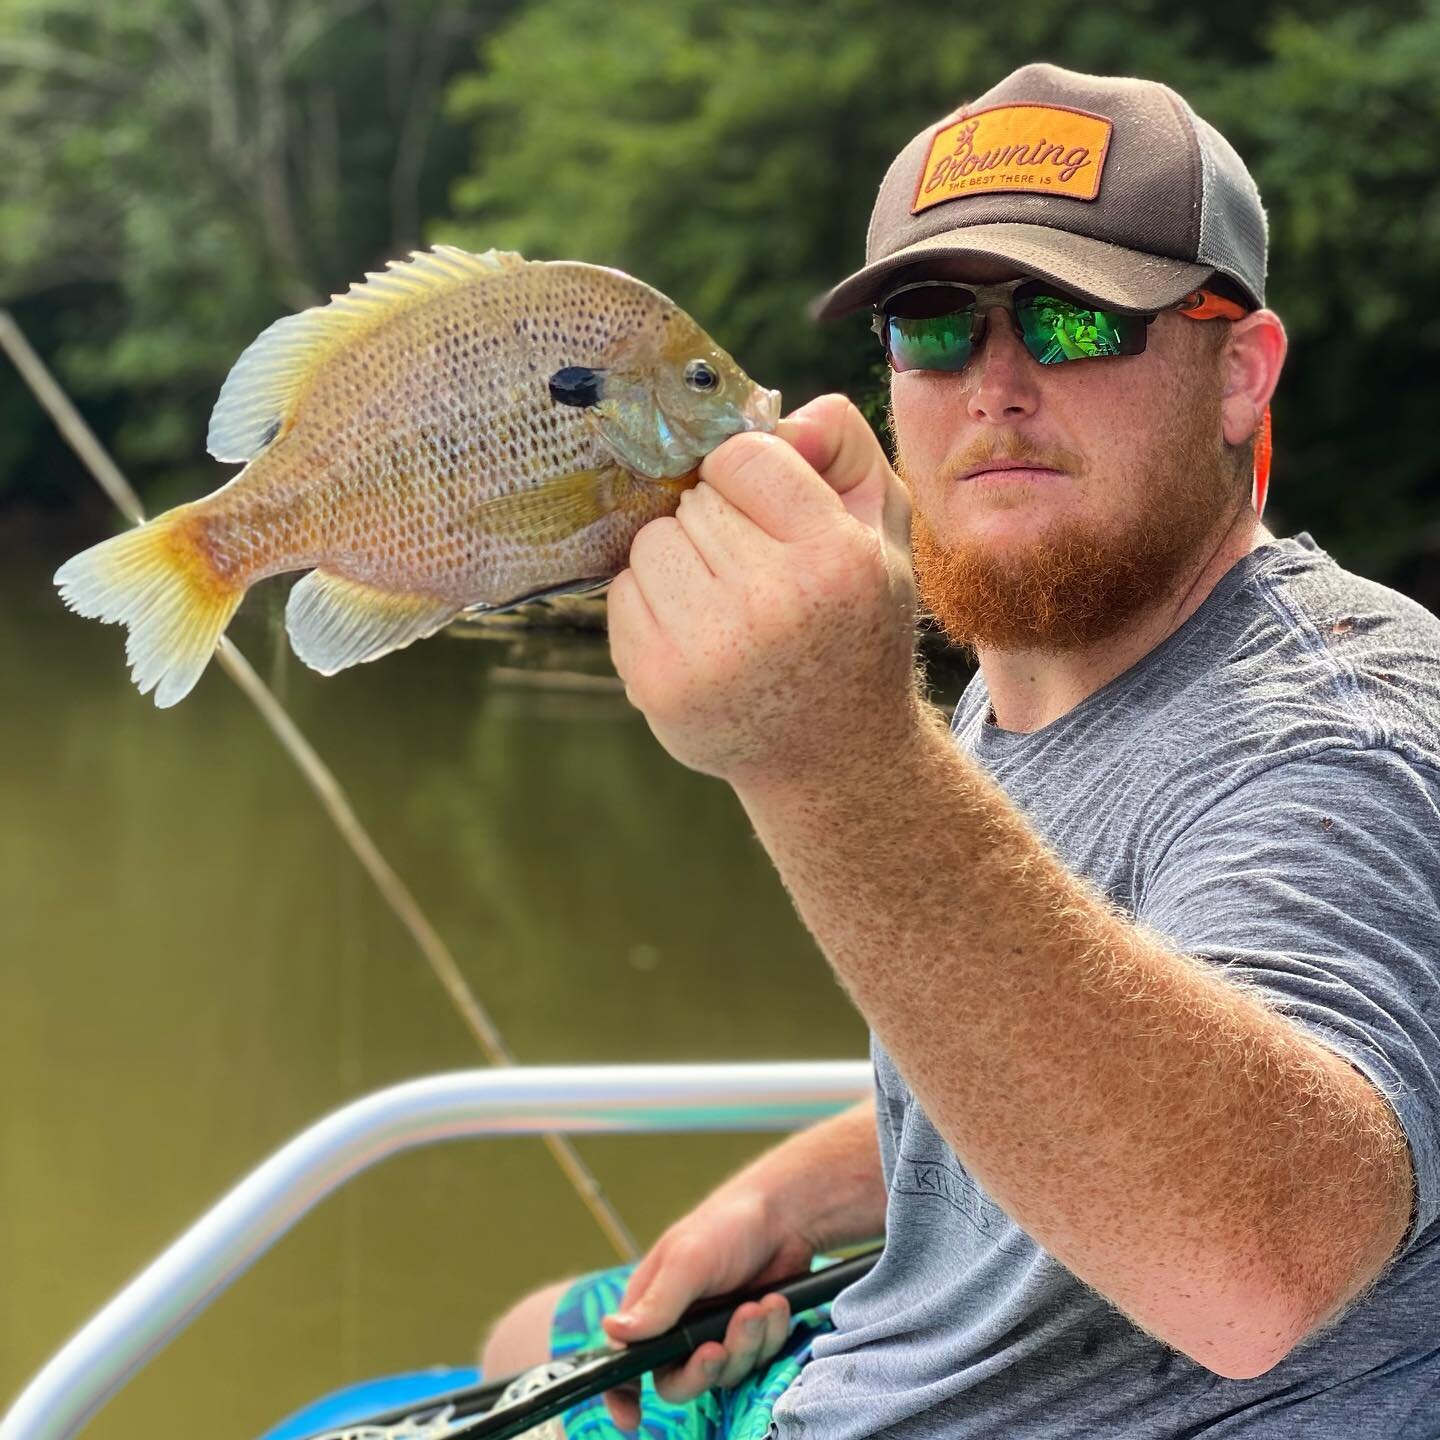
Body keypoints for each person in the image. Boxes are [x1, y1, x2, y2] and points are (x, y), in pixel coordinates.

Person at [483, 63, 1440, 1437]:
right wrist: (788, 1198)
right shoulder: (1022, 682)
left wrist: (830, 757)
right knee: (532, 1332)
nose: (996, 384)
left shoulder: (1348, 730)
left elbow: (1261, 1258)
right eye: (933, 326)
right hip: (873, 1350)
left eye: (1073, 317)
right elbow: (1055, 1058)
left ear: (1242, 372)